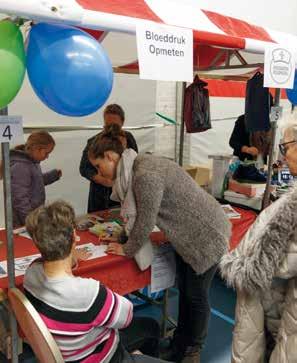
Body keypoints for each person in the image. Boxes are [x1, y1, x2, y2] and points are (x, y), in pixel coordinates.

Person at [87, 124, 231, 363]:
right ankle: (181, 343)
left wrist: (127, 247)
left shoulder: (144, 175)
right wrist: (123, 235)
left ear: (111, 157)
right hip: (189, 236)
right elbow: (141, 216)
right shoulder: (137, 166)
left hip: (206, 236)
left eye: (98, 165)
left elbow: (145, 220)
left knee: (196, 296)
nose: (98, 172)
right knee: (186, 291)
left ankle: (192, 349)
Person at [24, 200, 166, 363]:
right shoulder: (88, 293)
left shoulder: (32, 272)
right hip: (105, 357)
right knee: (150, 326)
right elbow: (126, 317)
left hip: (69, 355)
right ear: (74, 239)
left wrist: (70, 257)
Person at [220, 118, 297, 362]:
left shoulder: (287, 209)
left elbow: (258, 272)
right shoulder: (243, 122)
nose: (283, 156)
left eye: (285, 147)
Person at [80, 104, 138, 213]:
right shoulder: (94, 141)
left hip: (123, 194)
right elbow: (84, 168)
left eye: (115, 126)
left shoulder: (129, 139)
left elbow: (135, 164)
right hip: (100, 196)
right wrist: (103, 180)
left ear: (122, 122)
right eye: (107, 125)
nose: (111, 129)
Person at [0, 131, 61, 228]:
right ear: (37, 149)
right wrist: (29, 221)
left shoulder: (32, 162)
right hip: (23, 221)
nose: (47, 157)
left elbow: (36, 182)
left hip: (32, 217)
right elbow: (19, 199)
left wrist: (52, 176)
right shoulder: (21, 167)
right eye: (46, 153)